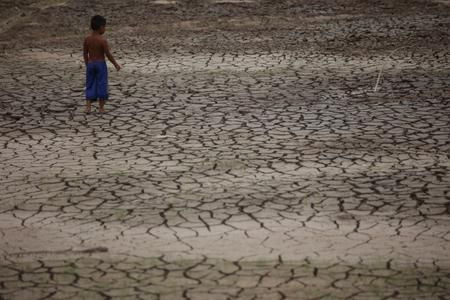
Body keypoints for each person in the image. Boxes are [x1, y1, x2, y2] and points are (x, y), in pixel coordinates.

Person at [83, 15, 121, 113]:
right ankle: (101, 108)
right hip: (100, 64)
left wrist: (87, 64)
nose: (105, 29)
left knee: (90, 84)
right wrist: (115, 64)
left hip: (91, 63)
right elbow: (108, 54)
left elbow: (85, 53)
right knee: (101, 84)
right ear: (100, 27)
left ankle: (88, 107)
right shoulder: (102, 40)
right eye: (104, 27)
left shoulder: (87, 39)